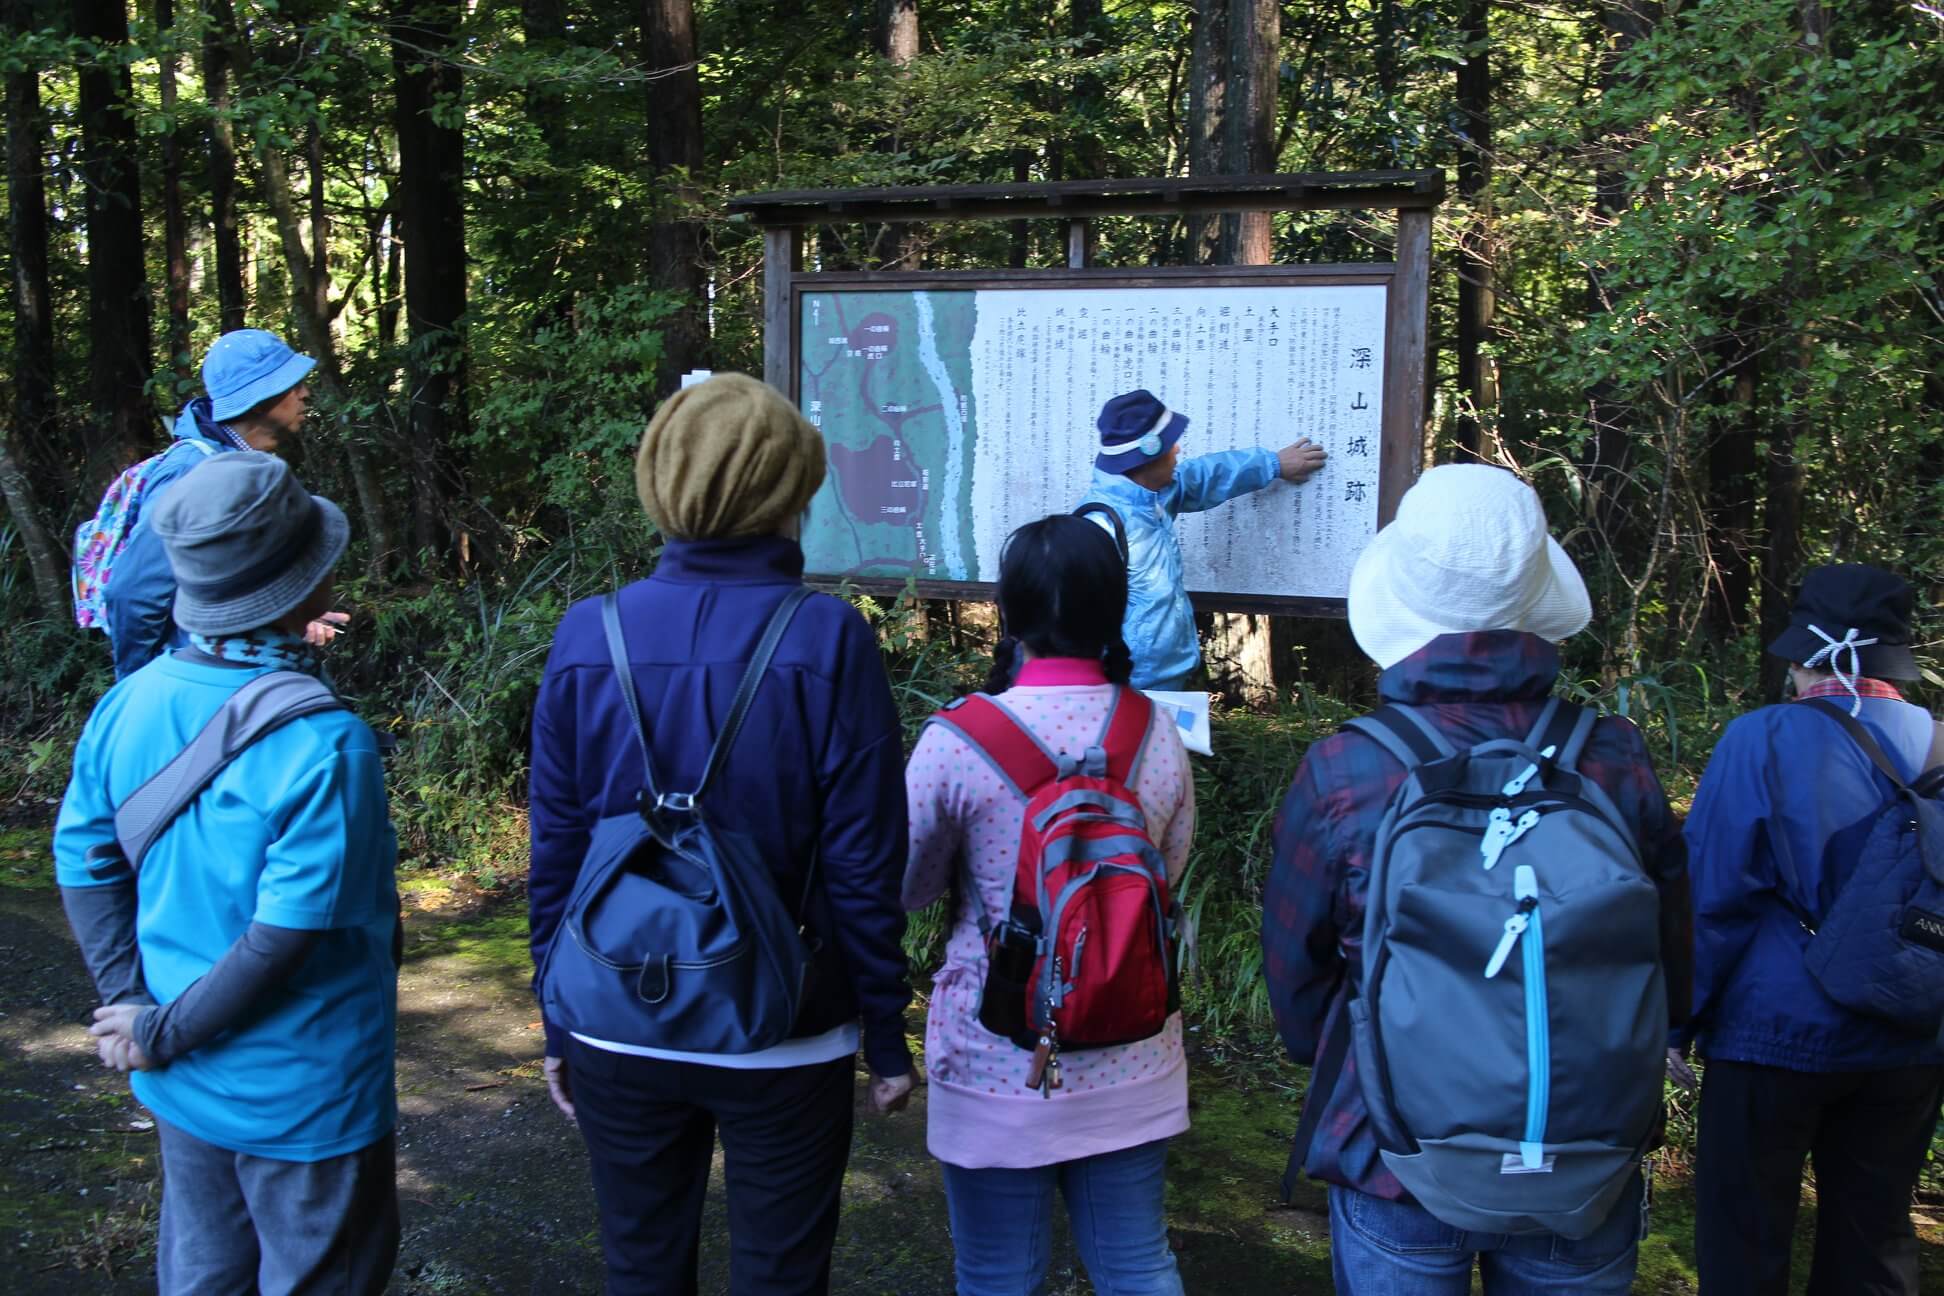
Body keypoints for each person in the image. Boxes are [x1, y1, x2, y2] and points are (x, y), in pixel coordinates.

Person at [528, 373, 915, 1296]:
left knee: (640, 1267)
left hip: (617, 1015)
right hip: (787, 1020)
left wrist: (557, 1017)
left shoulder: (590, 634)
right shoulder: (826, 639)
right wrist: (884, 1030)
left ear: (661, 478)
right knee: (783, 1275)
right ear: (791, 489)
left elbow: (559, 851)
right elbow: (865, 860)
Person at [1260, 463, 1690, 1294]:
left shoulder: (1348, 767)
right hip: (1584, 1153)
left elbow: (1298, 972)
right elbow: (1671, 961)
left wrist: (1374, 1057)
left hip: (1396, 1153)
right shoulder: (1613, 756)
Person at [55, 452, 400, 1295]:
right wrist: (157, 1031)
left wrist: (138, 1009)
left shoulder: (128, 702)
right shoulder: (326, 745)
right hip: (305, 1097)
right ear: (302, 587)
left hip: (182, 1082)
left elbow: (86, 863)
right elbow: (285, 936)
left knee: (204, 1275)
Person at [903, 513, 1196, 1296]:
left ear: (1010, 611)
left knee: (998, 1275)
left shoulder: (958, 739)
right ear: (1114, 608)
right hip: (1135, 1043)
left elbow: (908, 885)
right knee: (1137, 1265)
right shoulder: (1155, 730)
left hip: (998, 1051)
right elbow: (1166, 868)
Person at [1681, 564, 1944, 1296]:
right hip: (1907, 1037)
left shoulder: (1759, 738)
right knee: (1876, 1240)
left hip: (1772, 1035)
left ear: (1807, 654)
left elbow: (1712, 898)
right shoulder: (1941, 744)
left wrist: (1677, 1025)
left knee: (1743, 1243)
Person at [101, 328, 345, 679]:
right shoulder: (193, 473)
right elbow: (131, 592)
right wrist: (137, 687)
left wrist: (296, 612)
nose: (306, 395)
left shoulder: (238, 464)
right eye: (294, 385)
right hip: (199, 687)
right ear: (262, 397)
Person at [1074, 387, 1328, 691]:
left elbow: (1202, 476)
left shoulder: (1152, 496)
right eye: (1169, 444)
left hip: (1166, 680)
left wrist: (1272, 464)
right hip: (1129, 688)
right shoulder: (1100, 528)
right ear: (1146, 454)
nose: (1178, 449)